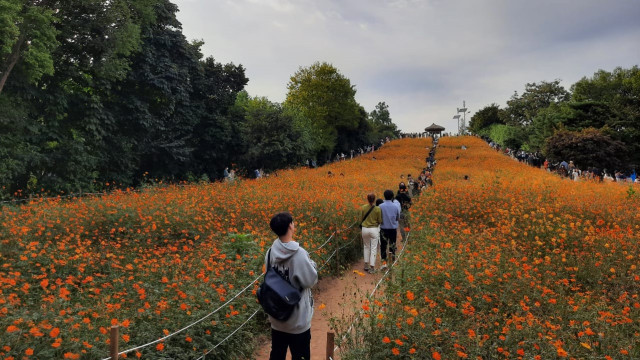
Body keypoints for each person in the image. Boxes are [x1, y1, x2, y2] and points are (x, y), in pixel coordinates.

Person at [265, 212, 318, 360]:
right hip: (298, 319)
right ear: (290, 226)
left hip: (277, 318)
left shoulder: (270, 253)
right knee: (300, 356)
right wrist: (312, 265)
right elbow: (310, 281)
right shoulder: (299, 254)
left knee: (277, 354)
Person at [360, 193, 383, 274]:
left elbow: (361, 218)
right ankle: (372, 267)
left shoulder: (363, 207)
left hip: (364, 229)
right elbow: (380, 220)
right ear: (374, 199)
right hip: (374, 229)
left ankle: (366, 265)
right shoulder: (378, 209)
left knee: (366, 246)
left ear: (367, 199)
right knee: (373, 248)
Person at [379, 189, 400, 269]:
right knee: (392, 245)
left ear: (384, 196)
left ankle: (384, 263)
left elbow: (379, 217)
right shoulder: (395, 206)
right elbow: (397, 218)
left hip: (383, 229)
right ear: (392, 197)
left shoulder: (380, 206)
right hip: (392, 229)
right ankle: (392, 262)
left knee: (383, 246)